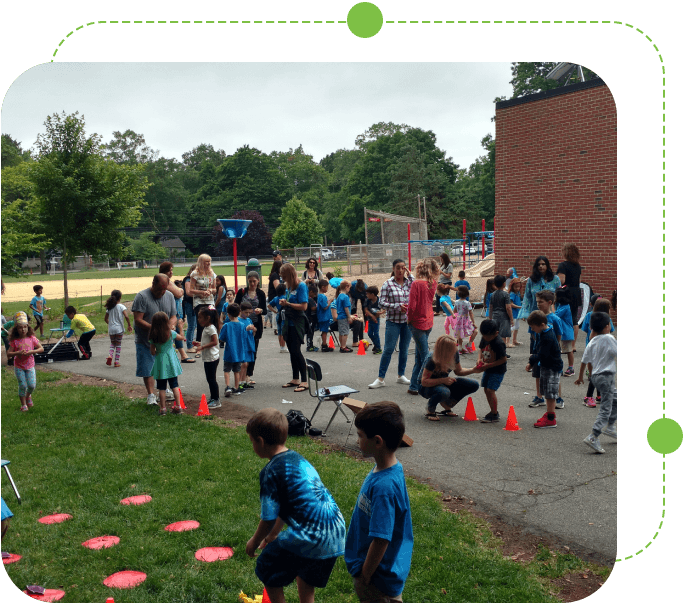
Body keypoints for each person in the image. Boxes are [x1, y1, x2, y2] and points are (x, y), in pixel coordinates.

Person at [246, 408, 345, 604]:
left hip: (310, 536)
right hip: (335, 534)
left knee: (267, 568)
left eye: (252, 441)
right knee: (306, 573)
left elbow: (268, 517)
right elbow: (288, 504)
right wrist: (273, 535)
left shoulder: (270, 472)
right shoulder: (297, 460)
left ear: (260, 441)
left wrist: (255, 541)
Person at [345, 401, 413, 602]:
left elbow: (382, 538)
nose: (357, 440)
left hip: (378, 578)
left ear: (377, 441)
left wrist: (365, 575)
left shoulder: (385, 486)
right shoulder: (385, 469)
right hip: (378, 572)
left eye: (359, 435)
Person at [574, 312, 617, 453]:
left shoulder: (592, 341)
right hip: (606, 377)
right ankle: (594, 436)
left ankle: (610, 427)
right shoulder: (609, 338)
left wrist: (580, 377)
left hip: (596, 377)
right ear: (606, 326)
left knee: (615, 398)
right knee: (606, 407)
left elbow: (584, 361)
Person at [132, 273, 178, 407]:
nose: (162, 292)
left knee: (164, 366)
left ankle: (164, 390)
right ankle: (151, 395)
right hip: (146, 340)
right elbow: (138, 319)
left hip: (164, 342)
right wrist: (155, 330)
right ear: (153, 284)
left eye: (164, 289)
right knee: (148, 367)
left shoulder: (169, 296)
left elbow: (174, 315)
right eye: (159, 289)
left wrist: (170, 326)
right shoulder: (142, 297)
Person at [369, 259, 413, 389]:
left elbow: (417, 288)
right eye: (398, 267)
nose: (400, 270)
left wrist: (410, 275)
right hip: (393, 322)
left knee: (404, 349)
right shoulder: (388, 284)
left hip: (407, 322)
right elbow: (381, 303)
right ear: (393, 268)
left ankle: (401, 375)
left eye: (403, 268)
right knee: (388, 349)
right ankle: (380, 378)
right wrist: (397, 306)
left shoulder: (409, 282)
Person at [419, 335, 482, 421]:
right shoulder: (432, 359)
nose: (455, 350)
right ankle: (430, 409)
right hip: (425, 387)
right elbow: (424, 381)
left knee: (474, 384)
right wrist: (443, 380)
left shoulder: (454, 353)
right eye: (453, 348)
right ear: (444, 350)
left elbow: (459, 371)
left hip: (443, 383)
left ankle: (447, 404)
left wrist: (474, 370)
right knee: (444, 392)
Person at [407, 258, 440, 395]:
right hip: (428, 320)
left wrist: (409, 318)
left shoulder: (416, 284)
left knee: (424, 355)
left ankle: (420, 382)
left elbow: (412, 306)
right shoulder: (433, 283)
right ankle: (414, 384)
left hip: (417, 322)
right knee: (420, 355)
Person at [526, 310, 563, 429]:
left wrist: (531, 360)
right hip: (546, 366)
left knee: (550, 394)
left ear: (542, 325)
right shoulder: (543, 332)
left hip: (552, 367)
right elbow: (538, 349)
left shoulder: (548, 336)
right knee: (547, 392)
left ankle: (551, 419)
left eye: (533, 327)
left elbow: (542, 354)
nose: (532, 329)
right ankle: (549, 414)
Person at [527, 290, 564, 409]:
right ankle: (539, 396)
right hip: (538, 349)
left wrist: (554, 347)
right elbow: (532, 333)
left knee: (553, 377)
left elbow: (558, 335)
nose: (538, 304)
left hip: (549, 352)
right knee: (538, 374)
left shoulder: (554, 319)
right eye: (537, 302)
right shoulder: (534, 317)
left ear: (549, 302)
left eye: (541, 302)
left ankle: (557, 397)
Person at [579, 297, 615, 407]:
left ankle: (599, 395)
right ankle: (588, 397)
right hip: (597, 351)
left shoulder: (590, 315)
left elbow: (585, 329)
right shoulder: (606, 320)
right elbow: (611, 330)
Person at [278, 263, 309, 391]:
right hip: (288, 322)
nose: (282, 279)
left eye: (283, 276)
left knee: (296, 350)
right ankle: (295, 378)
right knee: (291, 350)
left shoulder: (301, 286)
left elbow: (304, 306)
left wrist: (289, 304)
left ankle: (304, 381)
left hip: (297, 321)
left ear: (289, 274)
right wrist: (284, 303)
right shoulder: (288, 287)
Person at [148, 311, 184, 416]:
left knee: (161, 387)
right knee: (174, 385)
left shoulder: (153, 335)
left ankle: (163, 408)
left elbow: (152, 352)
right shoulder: (170, 333)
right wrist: (180, 327)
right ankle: (178, 406)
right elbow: (182, 337)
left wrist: (158, 350)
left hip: (160, 362)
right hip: (171, 361)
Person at [7, 311, 44, 411]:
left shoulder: (32, 338)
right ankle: (23, 404)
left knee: (32, 385)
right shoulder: (14, 341)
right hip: (19, 367)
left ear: (28, 327)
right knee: (22, 385)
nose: (23, 329)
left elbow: (41, 349)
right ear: (16, 329)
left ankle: (28, 396)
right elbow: (8, 354)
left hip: (30, 366)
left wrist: (32, 351)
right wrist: (17, 353)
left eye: (25, 327)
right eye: (20, 327)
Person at [235, 271, 267, 383]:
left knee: (253, 350)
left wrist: (260, 310)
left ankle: (248, 374)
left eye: (254, 281)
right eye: (250, 281)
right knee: (242, 349)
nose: (252, 283)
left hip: (255, 325)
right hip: (242, 325)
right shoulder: (242, 292)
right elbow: (235, 306)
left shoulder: (261, 294)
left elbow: (265, 310)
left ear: (258, 281)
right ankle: (240, 374)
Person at [219, 303, 255, 397]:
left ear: (228, 314)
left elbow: (222, 338)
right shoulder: (243, 325)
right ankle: (236, 387)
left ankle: (227, 386)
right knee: (236, 370)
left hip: (229, 352)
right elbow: (244, 336)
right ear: (239, 312)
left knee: (227, 370)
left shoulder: (226, 325)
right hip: (239, 352)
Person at [478, 319, 508, 423]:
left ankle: (494, 413)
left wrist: (489, 365)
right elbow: (481, 349)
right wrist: (479, 359)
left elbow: (503, 359)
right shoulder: (485, 337)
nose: (486, 338)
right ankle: (492, 411)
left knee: (490, 390)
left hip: (497, 370)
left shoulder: (499, 343)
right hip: (488, 368)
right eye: (484, 335)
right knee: (486, 389)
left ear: (496, 333)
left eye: (488, 337)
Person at [192, 306, 221, 409]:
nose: (198, 319)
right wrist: (199, 343)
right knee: (209, 378)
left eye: (200, 317)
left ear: (208, 318)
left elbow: (215, 342)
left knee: (211, 379)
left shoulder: (211, 328)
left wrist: (202, 347)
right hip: (209, 357)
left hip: (212, 358)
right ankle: (213, 398)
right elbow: (209, 341)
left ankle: (216, 400)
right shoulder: (207, 328)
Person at [556, 243, 582, 351]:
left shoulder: (563, 265)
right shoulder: (578, 266)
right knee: (574, 319)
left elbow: (561, 281)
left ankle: (563, 345)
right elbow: (579, 281)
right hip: (576, 292)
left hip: (566, 294)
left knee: (562, 318)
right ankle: (573, 345)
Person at [188, 254, 216, 356]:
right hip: (199, 301)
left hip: (210, 301)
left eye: (209, 261)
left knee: (212, 319)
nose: (208, 264)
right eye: (206, 261)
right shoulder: (194, 274)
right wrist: (201, 292)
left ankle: (210, 345)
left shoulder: (212, 273)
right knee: (201, 323)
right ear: (201, 262)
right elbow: (191, 290)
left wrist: (210, 291)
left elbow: (214, 289)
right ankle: (199, 348)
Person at [519, 255, 562, 320]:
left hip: (550, 314)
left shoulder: (555, 279)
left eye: (543, 264)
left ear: (547, 265)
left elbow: (560, 296)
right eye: (538, 264)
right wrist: (525, 312)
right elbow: (527, 297)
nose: (541, 266)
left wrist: (559, 313)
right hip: (534, 313)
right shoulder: (531, 280)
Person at [104, 289, 132, 367]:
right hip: (119, 329)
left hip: (111, 329)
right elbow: (126, 316)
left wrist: (111, 324)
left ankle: (110, 355)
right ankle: (116, 362)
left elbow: (105, 319)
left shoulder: (109, 308)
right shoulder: (121, 306)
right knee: (118, 344)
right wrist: (129, 325)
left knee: (113, 343)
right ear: (120, 298)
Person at [554, 286, 576, 376]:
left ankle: (571, 368)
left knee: (568, 350)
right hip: (562, 332)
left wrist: (551, 305)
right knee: (561, 350)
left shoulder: (565, 307)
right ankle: (560, 366)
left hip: (566, 333)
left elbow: (555, 316)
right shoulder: (561, 306)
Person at [488, 275, 514, 347]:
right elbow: (508, 307)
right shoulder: (506, 294)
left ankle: (496, 352)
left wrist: (490, 317)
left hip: (495, 316)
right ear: (504, 284)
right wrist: (511, 319)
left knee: (496, 334)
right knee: (503, 335)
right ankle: (503, 353)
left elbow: (491, 307)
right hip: (504, 317)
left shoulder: (493, 294)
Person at [451, 285, 477, 354]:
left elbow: (455, 311)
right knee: (475, 331)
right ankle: (469, 344)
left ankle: (460, 348)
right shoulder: (467, 303)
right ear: (467, 294)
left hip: (459, 320)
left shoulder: (456, 302)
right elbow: (471, 313)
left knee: (459, 334)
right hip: (466, 320)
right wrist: (473, 322)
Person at [363, 285, 385, 355]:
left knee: (375, 333)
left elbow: (383, 309)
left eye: (368, 294)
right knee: (369, 333)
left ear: (372, 294)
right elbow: (366, 310)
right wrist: (372, 316)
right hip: (370, 319)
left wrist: (379, 313)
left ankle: (378, 348)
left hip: (376, 319)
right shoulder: (367, 300)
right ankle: (376, 344)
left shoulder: (379, 301)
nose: (367, 295)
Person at [181, 264, 198, 353]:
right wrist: (200, 294)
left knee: (194, 325)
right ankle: (189, 346)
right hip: (189, 304)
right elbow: (188, 293)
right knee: (191, 325)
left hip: (193, 304)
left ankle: (191, 343)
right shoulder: (188, 279)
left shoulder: (193, 280)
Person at [335, 280, 354, 352]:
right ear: (346, 287)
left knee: (341, 332)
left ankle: (341, 345)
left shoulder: (339, 295)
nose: (349, 289)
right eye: (349, 288)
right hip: (344, 316)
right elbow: (346, 308)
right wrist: (349, 316)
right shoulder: (345, 297)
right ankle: (343, 346)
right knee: (345, 333)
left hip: (340, 316)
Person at [268, 283, 288, 353]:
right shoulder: (285, 297)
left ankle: (281, 346)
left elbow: (269, 305)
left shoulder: (276, 298)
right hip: (284, 315)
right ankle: (283, 346)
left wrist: (275, 311)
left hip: (278, 314)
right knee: (283, 331)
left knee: (279, 331)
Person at [316, 279, 333, 352]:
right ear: (323, 287)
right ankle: (324, 345)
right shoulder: (322, 296)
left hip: (322, 316)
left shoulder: (319, 296)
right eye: (326, 287)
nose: (327, 289)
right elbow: (325, 307)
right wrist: (330, 302)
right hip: (324, 317)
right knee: (324, 331)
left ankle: (324, 344)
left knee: (324, 331)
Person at [267, 260, 283, 331]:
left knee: (276, 312)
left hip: (274, 296)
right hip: (275, 296)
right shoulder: (275, 275)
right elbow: (277, 287)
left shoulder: (275, 275)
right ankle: (276, 328)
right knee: (276, 312)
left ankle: (276, 327)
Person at [508, 278, 523, 346]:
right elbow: (511, 304)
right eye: (516, 287)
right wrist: (520, 307)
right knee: (512, 327)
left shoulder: (517, 293)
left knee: (516, 327)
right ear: (512, 286)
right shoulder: (512, 294)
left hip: (517, 313)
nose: (517, 288)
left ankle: (514, 340)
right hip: (513, 313)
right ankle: (507, 342)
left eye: (519, 287)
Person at [305, 283, 319, 352]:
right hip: (310, 318)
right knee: (310, 332)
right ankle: (309, 346)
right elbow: (313, 308)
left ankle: (311, 344)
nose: (315, 296)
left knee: (311, 332)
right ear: (311, 292)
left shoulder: (310, 298)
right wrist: (318, 307)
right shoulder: (309, 299)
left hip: (312, 318)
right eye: (314, 294)